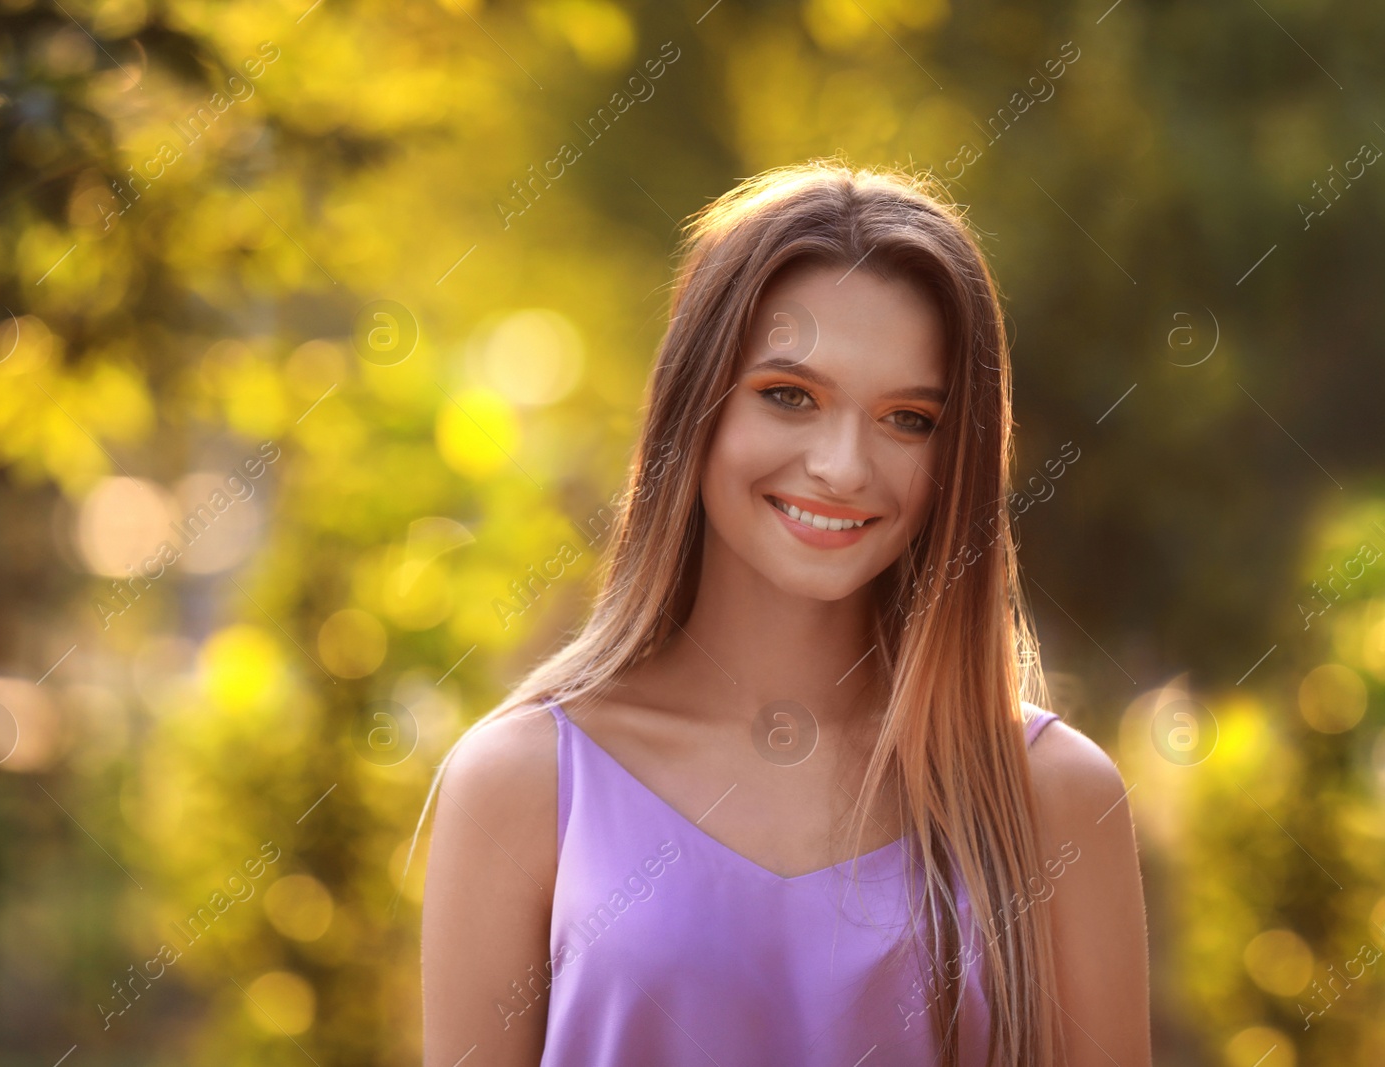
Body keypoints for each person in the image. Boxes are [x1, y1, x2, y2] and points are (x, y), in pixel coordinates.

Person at [418, 159, 1150, 1066]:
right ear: (697, 407)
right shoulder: (522, 785)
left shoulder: (1053, 799)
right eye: (789, 396)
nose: (843, 466)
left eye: (909, 418)